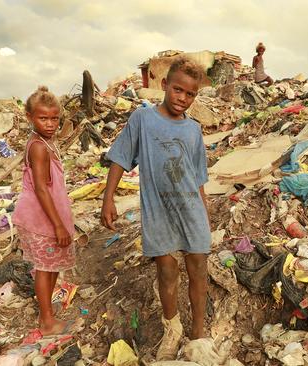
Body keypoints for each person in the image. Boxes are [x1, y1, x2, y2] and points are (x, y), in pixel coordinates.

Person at [101, 57, 211, 360]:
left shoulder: (193, 131)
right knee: (166, 269)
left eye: (190, 94)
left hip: (191, 209)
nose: (183, 99)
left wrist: (205, 213)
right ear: (164, 85)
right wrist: (108, 198)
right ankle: (172, 326)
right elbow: (121, 157)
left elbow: (198, 177)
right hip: (158, 210)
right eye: (178, 90)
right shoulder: (143, 119)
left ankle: (198, 332)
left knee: (199, 267)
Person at [13, 86, 75, 336]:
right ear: (30, 117)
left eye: (54, 119)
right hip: (40, 219)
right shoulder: (38, 147)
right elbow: (40, 189)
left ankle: (46, 312)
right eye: (43, 118)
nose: (50, 124)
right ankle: (47, 321)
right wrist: (58, 225)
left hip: (49, 215)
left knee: (51, 266)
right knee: (44, 268)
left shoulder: (47, 142)